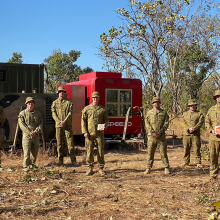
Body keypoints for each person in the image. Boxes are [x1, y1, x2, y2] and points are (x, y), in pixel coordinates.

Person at [81, 91, 109, 175]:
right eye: (93, 98)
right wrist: (84, 132)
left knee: (100, 151)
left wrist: (103, 127)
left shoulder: (102, 109)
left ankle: (101, 168)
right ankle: (90, 168)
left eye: (96, 97)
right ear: (92, 98)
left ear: (98, 98)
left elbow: (107, 119)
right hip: (89, 134)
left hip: (99, 134)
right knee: (89, 151)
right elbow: (83, 121)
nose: (95, 99)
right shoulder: (87, 109)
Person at [51, 86, 77, 166]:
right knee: (59, 144)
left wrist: (65, 121)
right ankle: (60, 160)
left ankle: (73, 161)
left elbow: (70, 113)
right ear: (58, 93)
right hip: (58, 126)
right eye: (60, 92)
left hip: (67, 125)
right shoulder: (54, 103)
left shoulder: (69, 103)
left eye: (62, 92)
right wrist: (59, 122)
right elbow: (53, 114)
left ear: (64, 93)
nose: (61, 93)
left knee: (70, 143)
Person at [144, 97, 170, 175]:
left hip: (161, 136)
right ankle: (148, 168)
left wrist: (160, 132)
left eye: (158, 102)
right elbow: (147, 123)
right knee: (150, 152)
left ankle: (166, 167)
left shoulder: (164, 112)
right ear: (152, 103)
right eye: (155, 102)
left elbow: (166, 123)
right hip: (152, 136)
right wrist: (152, 132)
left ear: (160, 103)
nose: (156, 103)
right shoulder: (149, 113)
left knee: (163, 152)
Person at [18, 97, 42, 173]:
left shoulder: (38, 113)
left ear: (34, 104)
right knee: (27, 153)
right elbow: (21, 125)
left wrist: (36, 132)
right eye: (29, 103)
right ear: (26, 104)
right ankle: (25, 168)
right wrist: (30, 132)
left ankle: (32, 166)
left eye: (31, 102)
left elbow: (40, 123)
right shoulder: (22, 113)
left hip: (36, 136)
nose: (30, 104)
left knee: (34, 153)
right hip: (27, 136)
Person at [181, 99, 204, 168]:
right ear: (189, 106)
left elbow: (201, 122)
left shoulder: (199, 114)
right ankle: (186, 162)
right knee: (186, 148)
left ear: (195, 106)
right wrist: (188, 128)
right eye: (191, 106)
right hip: (186, 134)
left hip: (195, 134)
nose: (192, 107)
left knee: (196, 148)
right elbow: (183, 122)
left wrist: (194, 128)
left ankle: (198, 162)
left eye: (193, 105)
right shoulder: (184, 114)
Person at [205, 90, 220, 179]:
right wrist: (211, 130)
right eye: (218, 96)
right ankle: (213, 176)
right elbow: (207, 121)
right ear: (215, 98)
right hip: (214, 138)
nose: (219, 98)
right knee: (213, 157)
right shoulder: (211, 109)